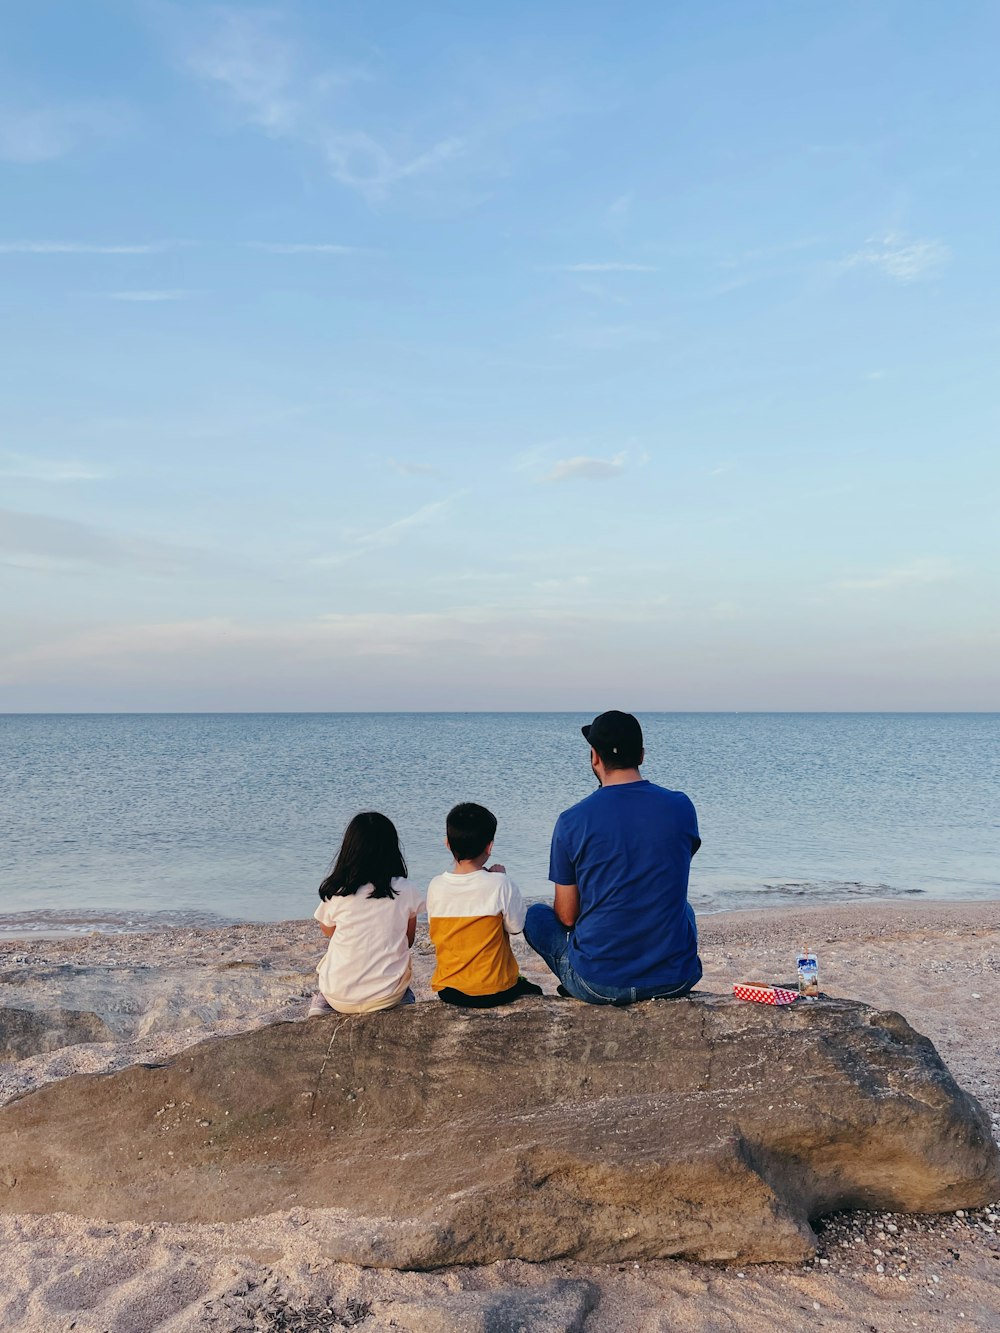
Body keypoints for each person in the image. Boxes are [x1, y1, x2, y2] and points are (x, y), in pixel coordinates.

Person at [524, 710, 702, 1005]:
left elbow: (567, 916)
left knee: (535, 916)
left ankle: (579, 979)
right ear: (642, 755)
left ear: (595, 757)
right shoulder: (681, 807)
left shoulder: (571, 820)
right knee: (685, 908)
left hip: (599, 983)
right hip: (674, 979)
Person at [426, 802, 543, 1008]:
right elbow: (516, 927)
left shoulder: (435, 886)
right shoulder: (500, 883)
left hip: (449, 991)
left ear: (447, 843)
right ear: (489, 846)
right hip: (495, 990)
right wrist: (501, 878)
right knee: (536, 992)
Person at [308, 811, 424, 1016]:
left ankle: (323, 1003)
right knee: (404, 989)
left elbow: (328, 930)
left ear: (349, 851)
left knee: (334, 957)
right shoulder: (406, 890)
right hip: (387, 996)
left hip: (339, 996)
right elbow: (409, 939)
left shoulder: (338, 892)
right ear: (392, 850)